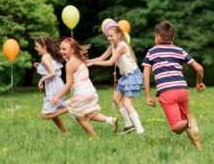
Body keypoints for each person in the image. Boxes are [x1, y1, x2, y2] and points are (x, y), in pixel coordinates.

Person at [142, 20, 206, 149]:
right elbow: (199, 69)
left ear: (157, 36)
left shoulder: (152, 52)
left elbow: (146, 74)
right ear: (173, 38)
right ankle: (199, 148)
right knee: (185, 121)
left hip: (167, 91)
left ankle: (189, 120)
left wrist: (148, 96)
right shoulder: (179, 50)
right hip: (182, 90)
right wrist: (198, 83)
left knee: (176, 128)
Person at [52, 38, 118, 138]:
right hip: (90, 90)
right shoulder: (80, 59)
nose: (61, 51)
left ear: (72, 50)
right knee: (89, 113)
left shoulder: (69, 64)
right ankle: (110, 120)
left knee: (79, 117)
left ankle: (95, 138)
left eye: (64, 49)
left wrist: (58, 96)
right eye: (60, 49)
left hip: (80, 93)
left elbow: (69, 83)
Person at [87, 26, 145, 134]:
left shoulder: (122, 45)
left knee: (127, 103)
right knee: (116, 99)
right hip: (125, 76)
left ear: (118, 35)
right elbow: (101, 58)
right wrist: (86, 61)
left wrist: (93, 63)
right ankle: (128, 126)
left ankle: (140, 130)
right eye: (108, 36)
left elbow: (110, 62)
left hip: (132, 75)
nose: (109, 38)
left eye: (111, 35)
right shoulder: (112, 47)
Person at [33, 36, 68, 135]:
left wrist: (41, 80)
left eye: (37, 46)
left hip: (53, 86)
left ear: (44, 46)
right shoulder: (49, 55)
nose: (35, 48)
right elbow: (50, 68)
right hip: (57, 84)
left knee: (45, 115)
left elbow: (53, 73)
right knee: (53, 113)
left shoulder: (44, 58)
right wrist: (39, 66)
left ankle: (70, 108)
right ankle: (65, 133)